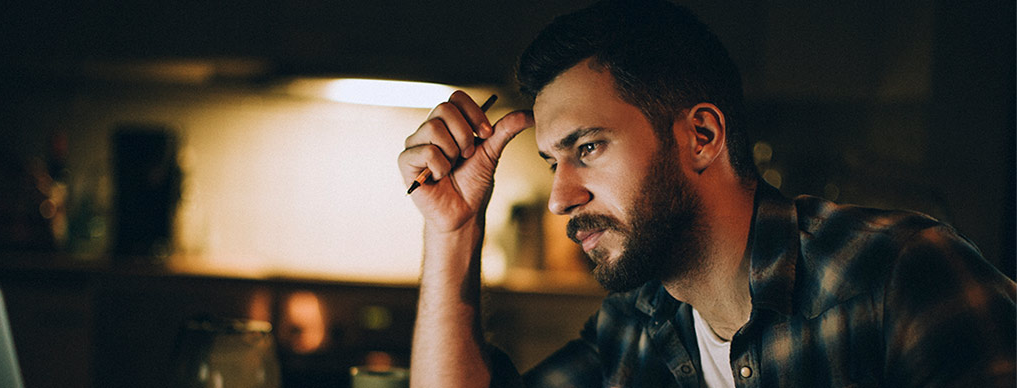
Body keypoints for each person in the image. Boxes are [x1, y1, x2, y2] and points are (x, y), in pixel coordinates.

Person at [396, 0, 1016, 386]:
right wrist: (452, 233)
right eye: (552, 161)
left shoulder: (900, 276)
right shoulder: (637, 325)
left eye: (588, 148)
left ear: (700, 135)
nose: (560, 197)